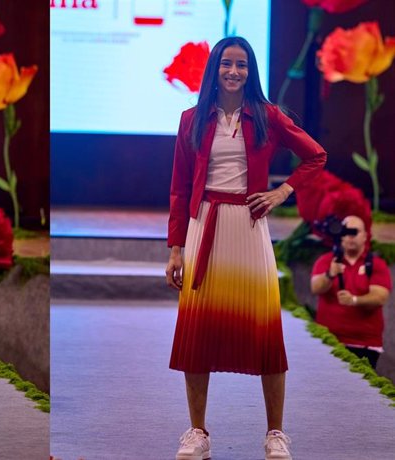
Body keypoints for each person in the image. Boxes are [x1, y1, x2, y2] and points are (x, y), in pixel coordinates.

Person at [165, 36, 326, 460]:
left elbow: (316, 156)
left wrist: (282, 192)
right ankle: (197, 432)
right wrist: (175, 249)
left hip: (250, 227)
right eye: (226, 64)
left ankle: (276, 433)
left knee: (266, 334)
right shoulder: (191, 119)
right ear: (214, 69)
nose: (234, 72)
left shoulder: (269, 116)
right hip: (205, 227)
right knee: (197, 335)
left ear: (250, 72)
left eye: (242, 65)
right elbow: (180, 190)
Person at [311, 215, 391, 368]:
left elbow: (380, 297)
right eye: (346, 232)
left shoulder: (376, 264)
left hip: (364, 345)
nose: (350, 237)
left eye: (354, 232)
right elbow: (315, 288)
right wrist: (330, 274)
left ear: (365, 236)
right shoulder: (326, 261)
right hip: (328, 342)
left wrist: (354, 300)